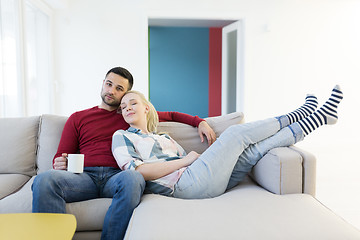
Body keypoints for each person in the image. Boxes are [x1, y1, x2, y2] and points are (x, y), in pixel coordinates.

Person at [31, 66, 216, 240]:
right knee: (43, 179)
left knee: (134, 178)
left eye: (119, 88)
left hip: (117, 176)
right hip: (84, 177)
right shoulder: (78, 118)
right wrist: (60, 162)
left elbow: (173, 115)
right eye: (109, 84)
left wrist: (200, 122)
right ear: (103, 83)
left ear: (125, 94)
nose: (111, 91)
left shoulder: (129, 114)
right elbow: (61, 155)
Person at [112, 85, 343, 199]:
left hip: (202, 177)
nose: (127, 108)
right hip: (182, 187)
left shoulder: (163, 137)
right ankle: (300, 113)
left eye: (132, 103)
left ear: (146, 107)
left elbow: (188, 153)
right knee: (233, 135)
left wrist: (198, 158)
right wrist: (186, 160)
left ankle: (318, 119)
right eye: (123, 107)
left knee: (252, 153)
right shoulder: (122, 137)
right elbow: (138, 171)